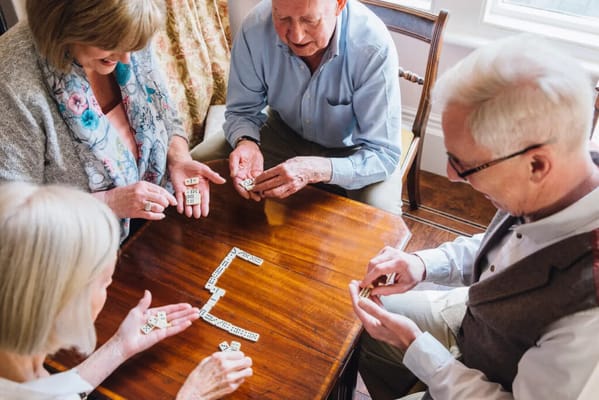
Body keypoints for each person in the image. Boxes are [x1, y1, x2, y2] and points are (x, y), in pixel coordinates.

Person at [349, 34, 599, 400]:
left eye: (464, 165)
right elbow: (507, 249)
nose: (450, 176)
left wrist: (415, 348)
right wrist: (422, 264)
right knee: (352, 327)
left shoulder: (587, 317)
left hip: (491, 383)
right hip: (472, 322)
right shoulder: (560, 178)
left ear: (537, 164)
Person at [0, 182, 253, 399]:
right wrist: (193, 394)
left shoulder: (18, 367)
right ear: (67, 304)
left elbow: (54, 392)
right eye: (106, 282)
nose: (107, 290)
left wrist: (119, 347)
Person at [0, 0, 226, 240]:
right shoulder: (12, 80)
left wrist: (179, 158)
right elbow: (13, 216)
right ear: (66, 23)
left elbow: (164, 114)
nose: (127, 59)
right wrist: (108, 202)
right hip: (85, 246)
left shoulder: (127, 35)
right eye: (110, 45)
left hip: (157, 222)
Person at [191, 0, 403, 214]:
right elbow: (242, 111)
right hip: (282, 130)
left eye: (309, 20)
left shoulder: (373, 47)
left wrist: (318, 170)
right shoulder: (254, 28)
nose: (296, 36)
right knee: (198, 166)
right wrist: (246, 141)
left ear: (339, 4)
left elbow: (383, 153)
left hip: (354, 149)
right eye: (282, 19)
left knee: (382, 217)